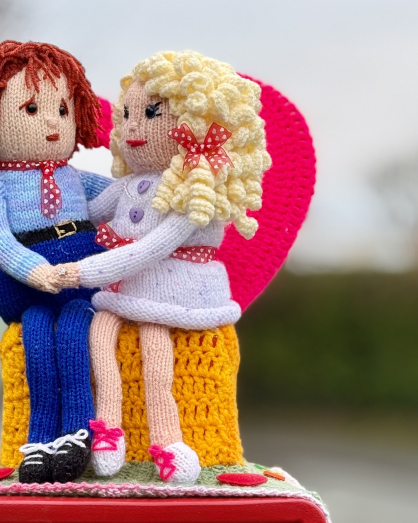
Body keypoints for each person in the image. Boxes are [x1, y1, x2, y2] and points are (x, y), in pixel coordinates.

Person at [52, 51, 271, 484]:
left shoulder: (199, 191)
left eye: (150, 114)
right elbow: (88, 212)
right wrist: (55, 178)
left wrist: (84, 271)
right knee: (100, 335)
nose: (133, 127)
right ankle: (108, 430)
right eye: (128, 114)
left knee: (155, 351)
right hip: (124, 291)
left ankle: (169, 443)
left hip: (171, 294)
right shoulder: (129, 185)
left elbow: (153, 247)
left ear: (196, 121)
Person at [0, 41, 110, 483]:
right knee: (36, 337)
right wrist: (35, 270)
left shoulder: (76, 179)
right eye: (33, 110)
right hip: (26, 289)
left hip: (79, 286)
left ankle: (76, 433)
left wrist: (153, 196)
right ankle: (39, 441)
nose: (53, 125)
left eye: (61, 110)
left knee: (75, 329)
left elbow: (115, 199)